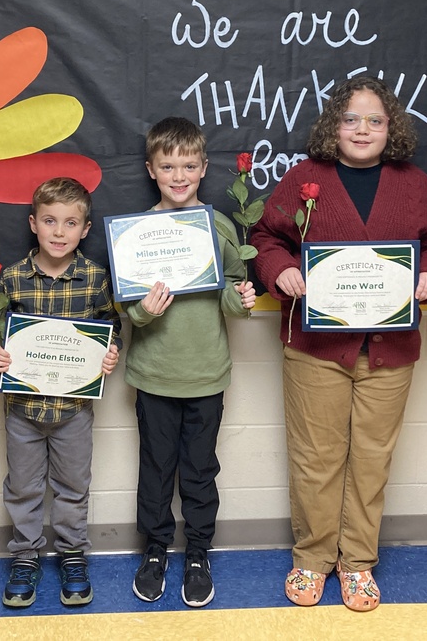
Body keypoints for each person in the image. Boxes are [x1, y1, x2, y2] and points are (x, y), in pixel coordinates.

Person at [249, 77, 427, 612]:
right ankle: (313, 558)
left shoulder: (413, 184)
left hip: (390, 346)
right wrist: (283, 270)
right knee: (317, 457)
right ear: (332, 125)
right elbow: (265, 238)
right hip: (315, 347)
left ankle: (358, 562)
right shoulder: (303, 178)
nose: (362, 130)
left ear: (392, 128)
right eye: (350, 119)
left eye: (375, 120)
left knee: (371, 458)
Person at [125, 117, 257, 608]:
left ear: (203, 169)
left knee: (200, 470)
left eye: (188, 166)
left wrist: (241, 298)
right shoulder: (137, 233)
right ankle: (156, 549)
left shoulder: (220, 226)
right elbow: (126, 309)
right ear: (151, 170)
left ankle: (198, 550)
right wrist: (142, 311)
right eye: (167, 166)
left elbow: (230, 296)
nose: (178, 176)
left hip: (206, 374)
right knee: (156, 468)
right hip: (155, 375)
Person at [0, 177, 123, 609]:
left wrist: (110, 351)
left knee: (72, 486)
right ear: (34, 223)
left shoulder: (95, 278)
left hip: (74, 410)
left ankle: (71, 554)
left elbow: (110, 324)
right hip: (23, 408)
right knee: (24, 486)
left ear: (85, 230)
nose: (59, 232)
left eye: (70, 223)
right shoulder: (11, 279)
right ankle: (25, 556)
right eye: (50, 221)